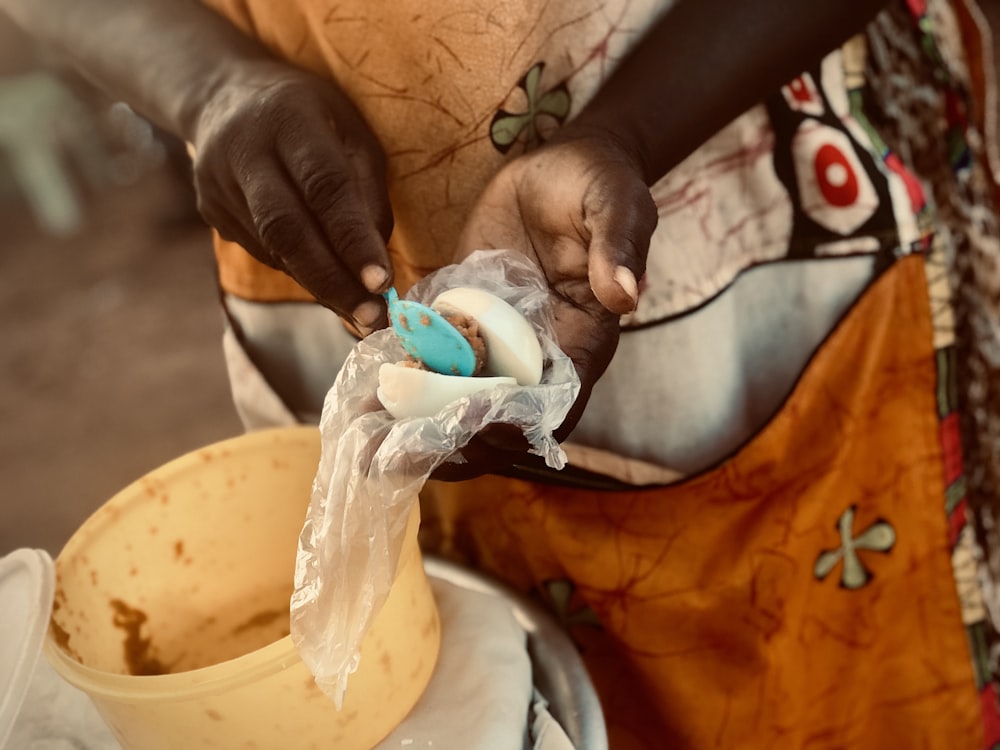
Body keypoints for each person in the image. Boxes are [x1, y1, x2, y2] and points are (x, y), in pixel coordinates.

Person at [4, 0, 1000, 745]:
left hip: (723, 206)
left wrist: (626, 131)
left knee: (800, 673)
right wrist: (210, 85)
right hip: (299, 230)